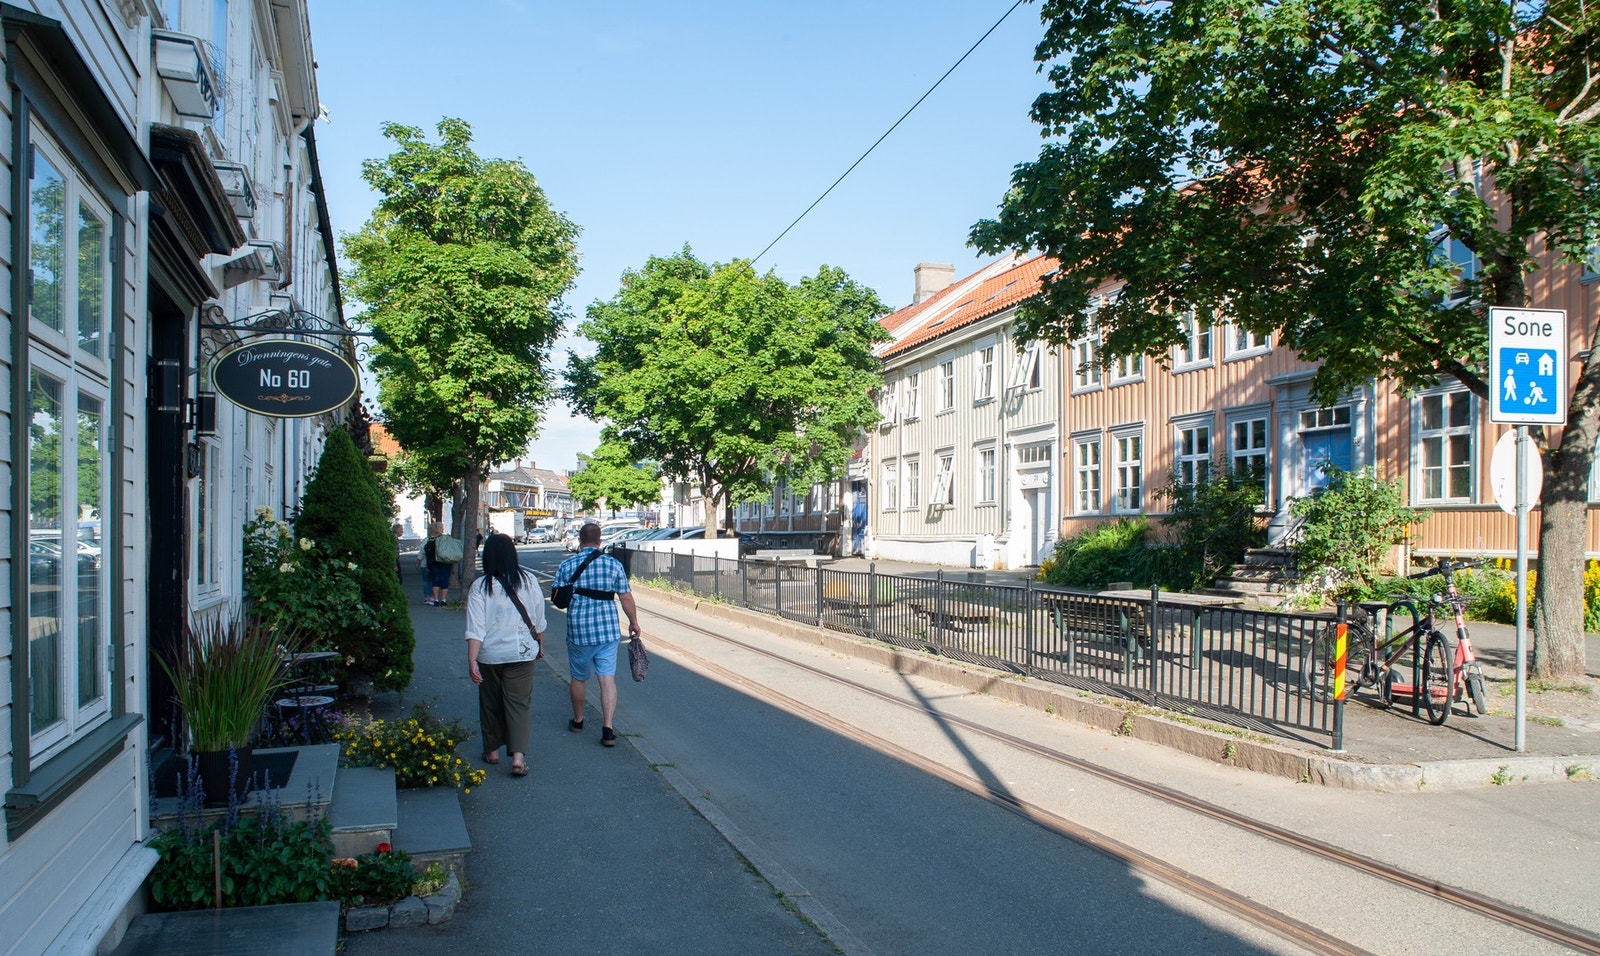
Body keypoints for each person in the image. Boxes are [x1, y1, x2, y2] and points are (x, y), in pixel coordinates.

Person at [551, 522, 639, 747]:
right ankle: (608, 729)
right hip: (607, 631)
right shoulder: (613, 564)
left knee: (579, 677)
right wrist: (633, 622)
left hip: (579, 630)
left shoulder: (567, 564)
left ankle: (579, 721)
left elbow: (558, 599)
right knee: (607, 678)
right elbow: (626, 597)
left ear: (580, 540)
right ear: (600, 541)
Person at [465, 533, 545, 777]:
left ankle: (492, 751)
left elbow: (475, 627)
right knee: (519, 703)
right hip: (522, 652)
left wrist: (472, 659)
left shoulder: (480, 586)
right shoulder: (529, 580)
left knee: (490, 702)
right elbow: (539, 619)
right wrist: (540, 644)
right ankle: (518, 757)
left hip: (490, 654)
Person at [424, 522, 456, 606]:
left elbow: (427, 553)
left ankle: (436, 600)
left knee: (435, 580)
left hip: (433, 563)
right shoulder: (445, 539)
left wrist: (428, 565)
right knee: (444, 580)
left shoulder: (430, 540)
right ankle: (444, 600)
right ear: (440, 530)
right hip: (445, 562)